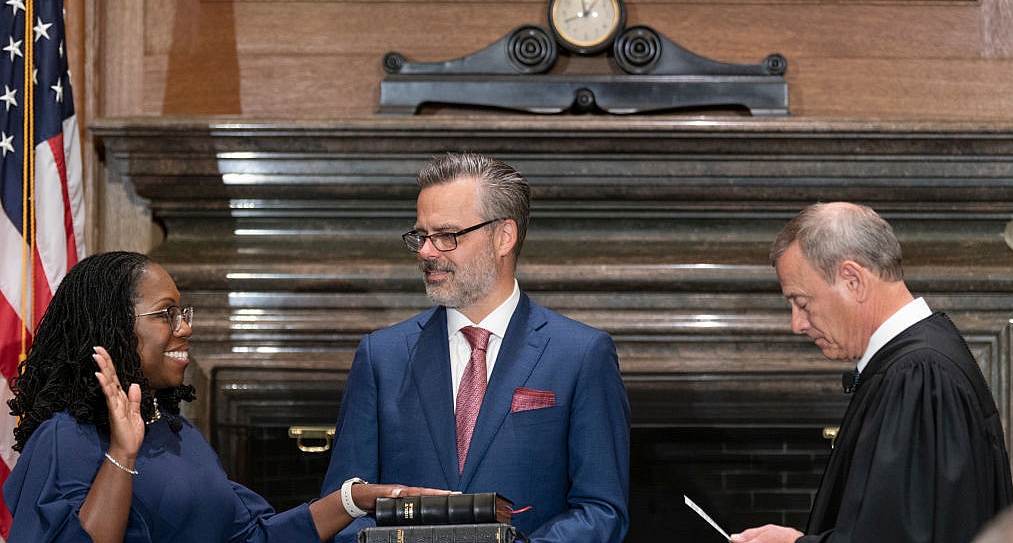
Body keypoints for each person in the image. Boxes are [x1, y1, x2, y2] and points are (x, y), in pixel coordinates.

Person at [3, 251, 447, 543]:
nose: (185, 327)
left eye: (183, 313)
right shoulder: (65, 438)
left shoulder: (182, 436)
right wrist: (122, 452)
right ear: (113, 328)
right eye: (166, 315)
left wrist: (357, 498)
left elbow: (254, 538)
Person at [321, 152, 631, 543]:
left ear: (503, 236)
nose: (426, 252)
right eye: (421, 236)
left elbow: (602, 510)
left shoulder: (583, 354)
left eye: (447, 235)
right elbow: (342, 510)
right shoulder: (380, 356)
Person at [730, 202, 1013, 543]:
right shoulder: (918, 365)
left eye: (803, 303)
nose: (797, 324)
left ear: (853, 280)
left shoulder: (918, 376)